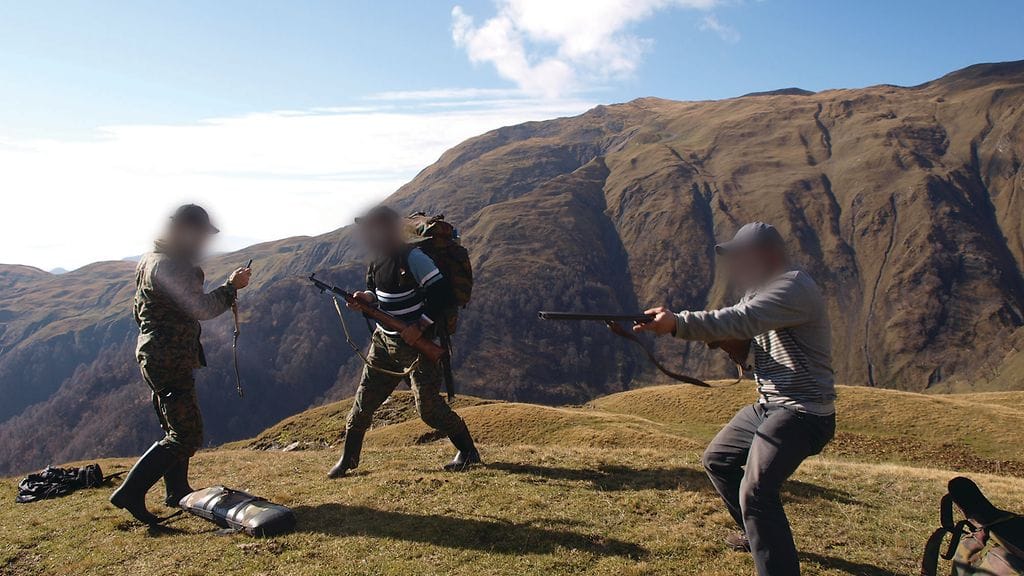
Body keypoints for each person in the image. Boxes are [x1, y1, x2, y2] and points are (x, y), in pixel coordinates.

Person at [635, 221, 836, 576]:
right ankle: (753, 532)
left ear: (770, 254)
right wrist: (725, 342)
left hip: (803, 413)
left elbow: (741, 320)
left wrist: (678, 324)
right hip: (768, 406)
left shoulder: (792, 286)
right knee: (718, 460)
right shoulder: (760, 291)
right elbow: (748, 346)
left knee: (756, 493)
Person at [110, 204, 251, 525]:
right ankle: (130, 492)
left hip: (156, 355)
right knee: (186, 436)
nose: (204, 241)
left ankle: (176, 491)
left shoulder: (151, 259)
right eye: (201, 234)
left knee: (174, 427)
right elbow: (200, 308)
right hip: (169, 358)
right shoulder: (175, 267)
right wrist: (231, 288)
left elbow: (141, 310)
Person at [327, 205, 480, 478]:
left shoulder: (414, 258)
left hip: (416, 344)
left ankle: (468, 452)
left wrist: (419, 327)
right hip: (384, 341)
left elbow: (443, 294)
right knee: (364, 401)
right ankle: (348, 459)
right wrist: (365, 299)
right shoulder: (377, 259)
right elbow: (378, 294)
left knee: (429, 410)